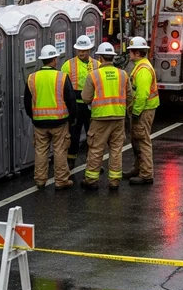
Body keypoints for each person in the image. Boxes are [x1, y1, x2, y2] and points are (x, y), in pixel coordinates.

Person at [24, 45, 78, 190]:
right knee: (60, 150)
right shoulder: (61, 77)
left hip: (39, 122)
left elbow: (27, 102)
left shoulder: (32, 78)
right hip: (59, 122)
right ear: (54, 60)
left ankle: (40, 180)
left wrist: (33, 116)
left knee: (41, 151)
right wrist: (72, 117)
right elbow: (71, 99)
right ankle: (61, 181)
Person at [80, 43, 133, 191]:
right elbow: (130, 97)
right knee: (116, 150)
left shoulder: (94, 75)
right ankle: (114, 181)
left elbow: (85, 98)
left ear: (100, 57)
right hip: (118, 117)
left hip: (100, 118)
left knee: (96, 149)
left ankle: (91, 180)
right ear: (113, 57)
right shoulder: (123, 74)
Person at [61, 35, 101, 169]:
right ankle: (71, 160)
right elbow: (63, 85)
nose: (82, 53)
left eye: (84, 50)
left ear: (89, 50)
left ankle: (93, 162)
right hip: (76, 106)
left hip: (91, 105)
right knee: (73, 134)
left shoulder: (97, 64)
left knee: (93, 135)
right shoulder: (68, 64)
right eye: (80, 50)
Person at [125, 37, 160, 185]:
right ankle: (138, 168)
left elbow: (142, 95)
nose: (129, 54)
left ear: (137, 52)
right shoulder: (141, 65)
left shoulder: (143, 69)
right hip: (144, 109)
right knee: (136, 140)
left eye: (131, 51)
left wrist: (136, 112)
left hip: (144, 110)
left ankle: (146, 174)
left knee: (142, 140)